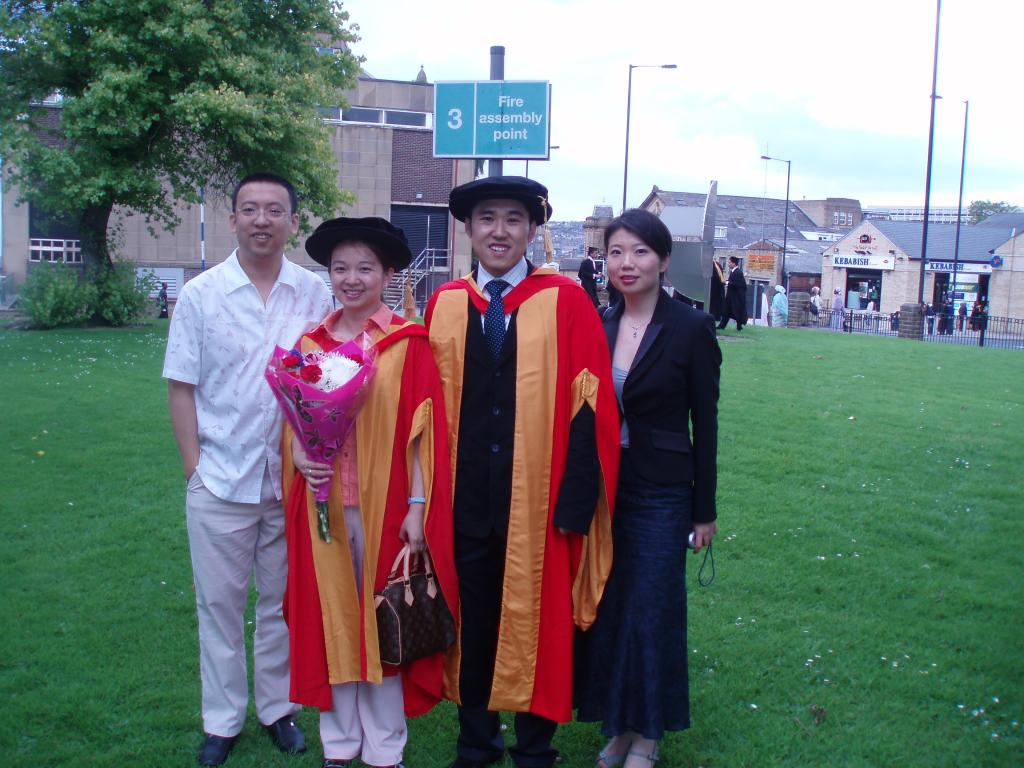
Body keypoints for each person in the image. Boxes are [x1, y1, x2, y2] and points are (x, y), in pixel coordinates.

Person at [424, 176, 620, 768]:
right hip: (462, 501)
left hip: (539, 499)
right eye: (487, 218)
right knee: (471, 622)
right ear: (468, 228)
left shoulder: (566, 301)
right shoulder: (445, 304)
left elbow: (590, 405)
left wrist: (576, 500)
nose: (499, 231)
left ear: (533, 229)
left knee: (541, 622)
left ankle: (535, 747)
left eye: (513, 219)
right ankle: (477, 743)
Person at [164, 173, 331, 766]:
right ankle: (222, 720)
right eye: (251, 209)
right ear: (232, 218)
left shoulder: (313, 294)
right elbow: (181, 386)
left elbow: (327, 379)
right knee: (219, 607)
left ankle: (278, 709)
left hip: (290, 480)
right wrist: (194, 470)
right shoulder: (201, 295)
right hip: (220, 477)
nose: (263, 220)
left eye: (275, 210)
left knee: (280, 605)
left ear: (293, 221)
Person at [283, 217, 457, 768]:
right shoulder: (311, 344)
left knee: (385, 622)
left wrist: (417, 506)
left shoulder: (408, 344)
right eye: (340, 268)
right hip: (326, 507)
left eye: (364, 268)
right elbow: (293, 422)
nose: (351, 279)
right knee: (332, 619)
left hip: (387, 508)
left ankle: (384, 748)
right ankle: (339, 745)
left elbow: (425, 434)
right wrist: (300, 454)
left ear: (387, 274)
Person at [575, 209, 719, 768]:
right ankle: (618, 727)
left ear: (663, 259)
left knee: (652, 609)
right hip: (608, 489)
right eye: (616, 252)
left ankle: (649, 734)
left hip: (663, 492)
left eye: (639, 252)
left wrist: (703, 511)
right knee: (611, 606)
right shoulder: (600, 323)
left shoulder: (691, 327)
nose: (626, 263)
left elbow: (705, 424)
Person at [716, 256, 747, 331]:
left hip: (735, 298)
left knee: (736, 312)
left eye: (730, 262)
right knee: (726, 312)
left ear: (734, 263)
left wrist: (727, 282)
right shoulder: (733, 272)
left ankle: (739, 327)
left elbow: (738, 284)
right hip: (730, 297)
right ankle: (722, 326)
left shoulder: (738, 272)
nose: (728, 264)